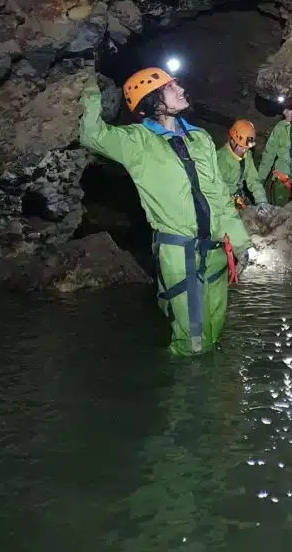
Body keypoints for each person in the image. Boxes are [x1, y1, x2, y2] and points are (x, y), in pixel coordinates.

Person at [79, 67, 256, 356]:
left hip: (214, 252)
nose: (181, 89)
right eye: (170, 87)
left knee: (213, 337)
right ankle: (183, 395)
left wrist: (239, 241)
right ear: (152, 100)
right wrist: (87, 85)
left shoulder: (199, 139)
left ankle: (211, 396)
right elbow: (92, 134)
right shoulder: (136, 142)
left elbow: (218, 195)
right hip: (179, 250)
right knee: (191, 343)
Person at [216, 120, 271, 215]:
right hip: (223, 202)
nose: (244, 150)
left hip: (240, 197)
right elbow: (214, 189)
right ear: (232, 140)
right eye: (241, 146)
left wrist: (261, 201)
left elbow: (253, 180)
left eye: (246, 147)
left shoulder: (247, 156)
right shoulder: (220, 159)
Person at [257, 101, 292, 206]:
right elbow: (269, 154)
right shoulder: (280, 127)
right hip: (282, 176)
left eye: (288, 109)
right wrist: (260, 179)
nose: (284, 112)